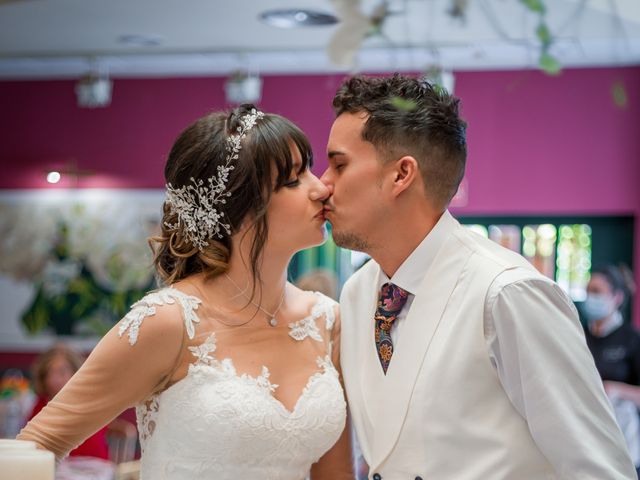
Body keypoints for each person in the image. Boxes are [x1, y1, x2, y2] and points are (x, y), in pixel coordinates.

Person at [320, 74, 635, 479]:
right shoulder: (358, 293)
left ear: (401, 175)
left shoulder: (507, 292)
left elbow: (601, 469)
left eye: (339, 164)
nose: (322, 184)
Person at [18, 105, 353, 479]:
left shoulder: (326, 320)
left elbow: (334, 475)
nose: (321, 187)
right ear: (238, 209)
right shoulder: (167, 321)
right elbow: (37, 443)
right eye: (293, 180)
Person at [583, 264, 640, 470]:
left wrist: (616, 390)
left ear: (617, 298)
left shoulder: (631, 339)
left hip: (623, 439)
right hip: (586, 438)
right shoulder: (578, 336)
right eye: (588, 291)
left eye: (597, 292)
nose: (591, 297)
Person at [28, 344, 109, 460]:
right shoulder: (41, 402)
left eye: (61, 372)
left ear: (76, 373)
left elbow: (91, 449)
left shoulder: (89, 402)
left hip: (90, 466)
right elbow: (32, 439)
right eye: (49, 373)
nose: (54, 379)